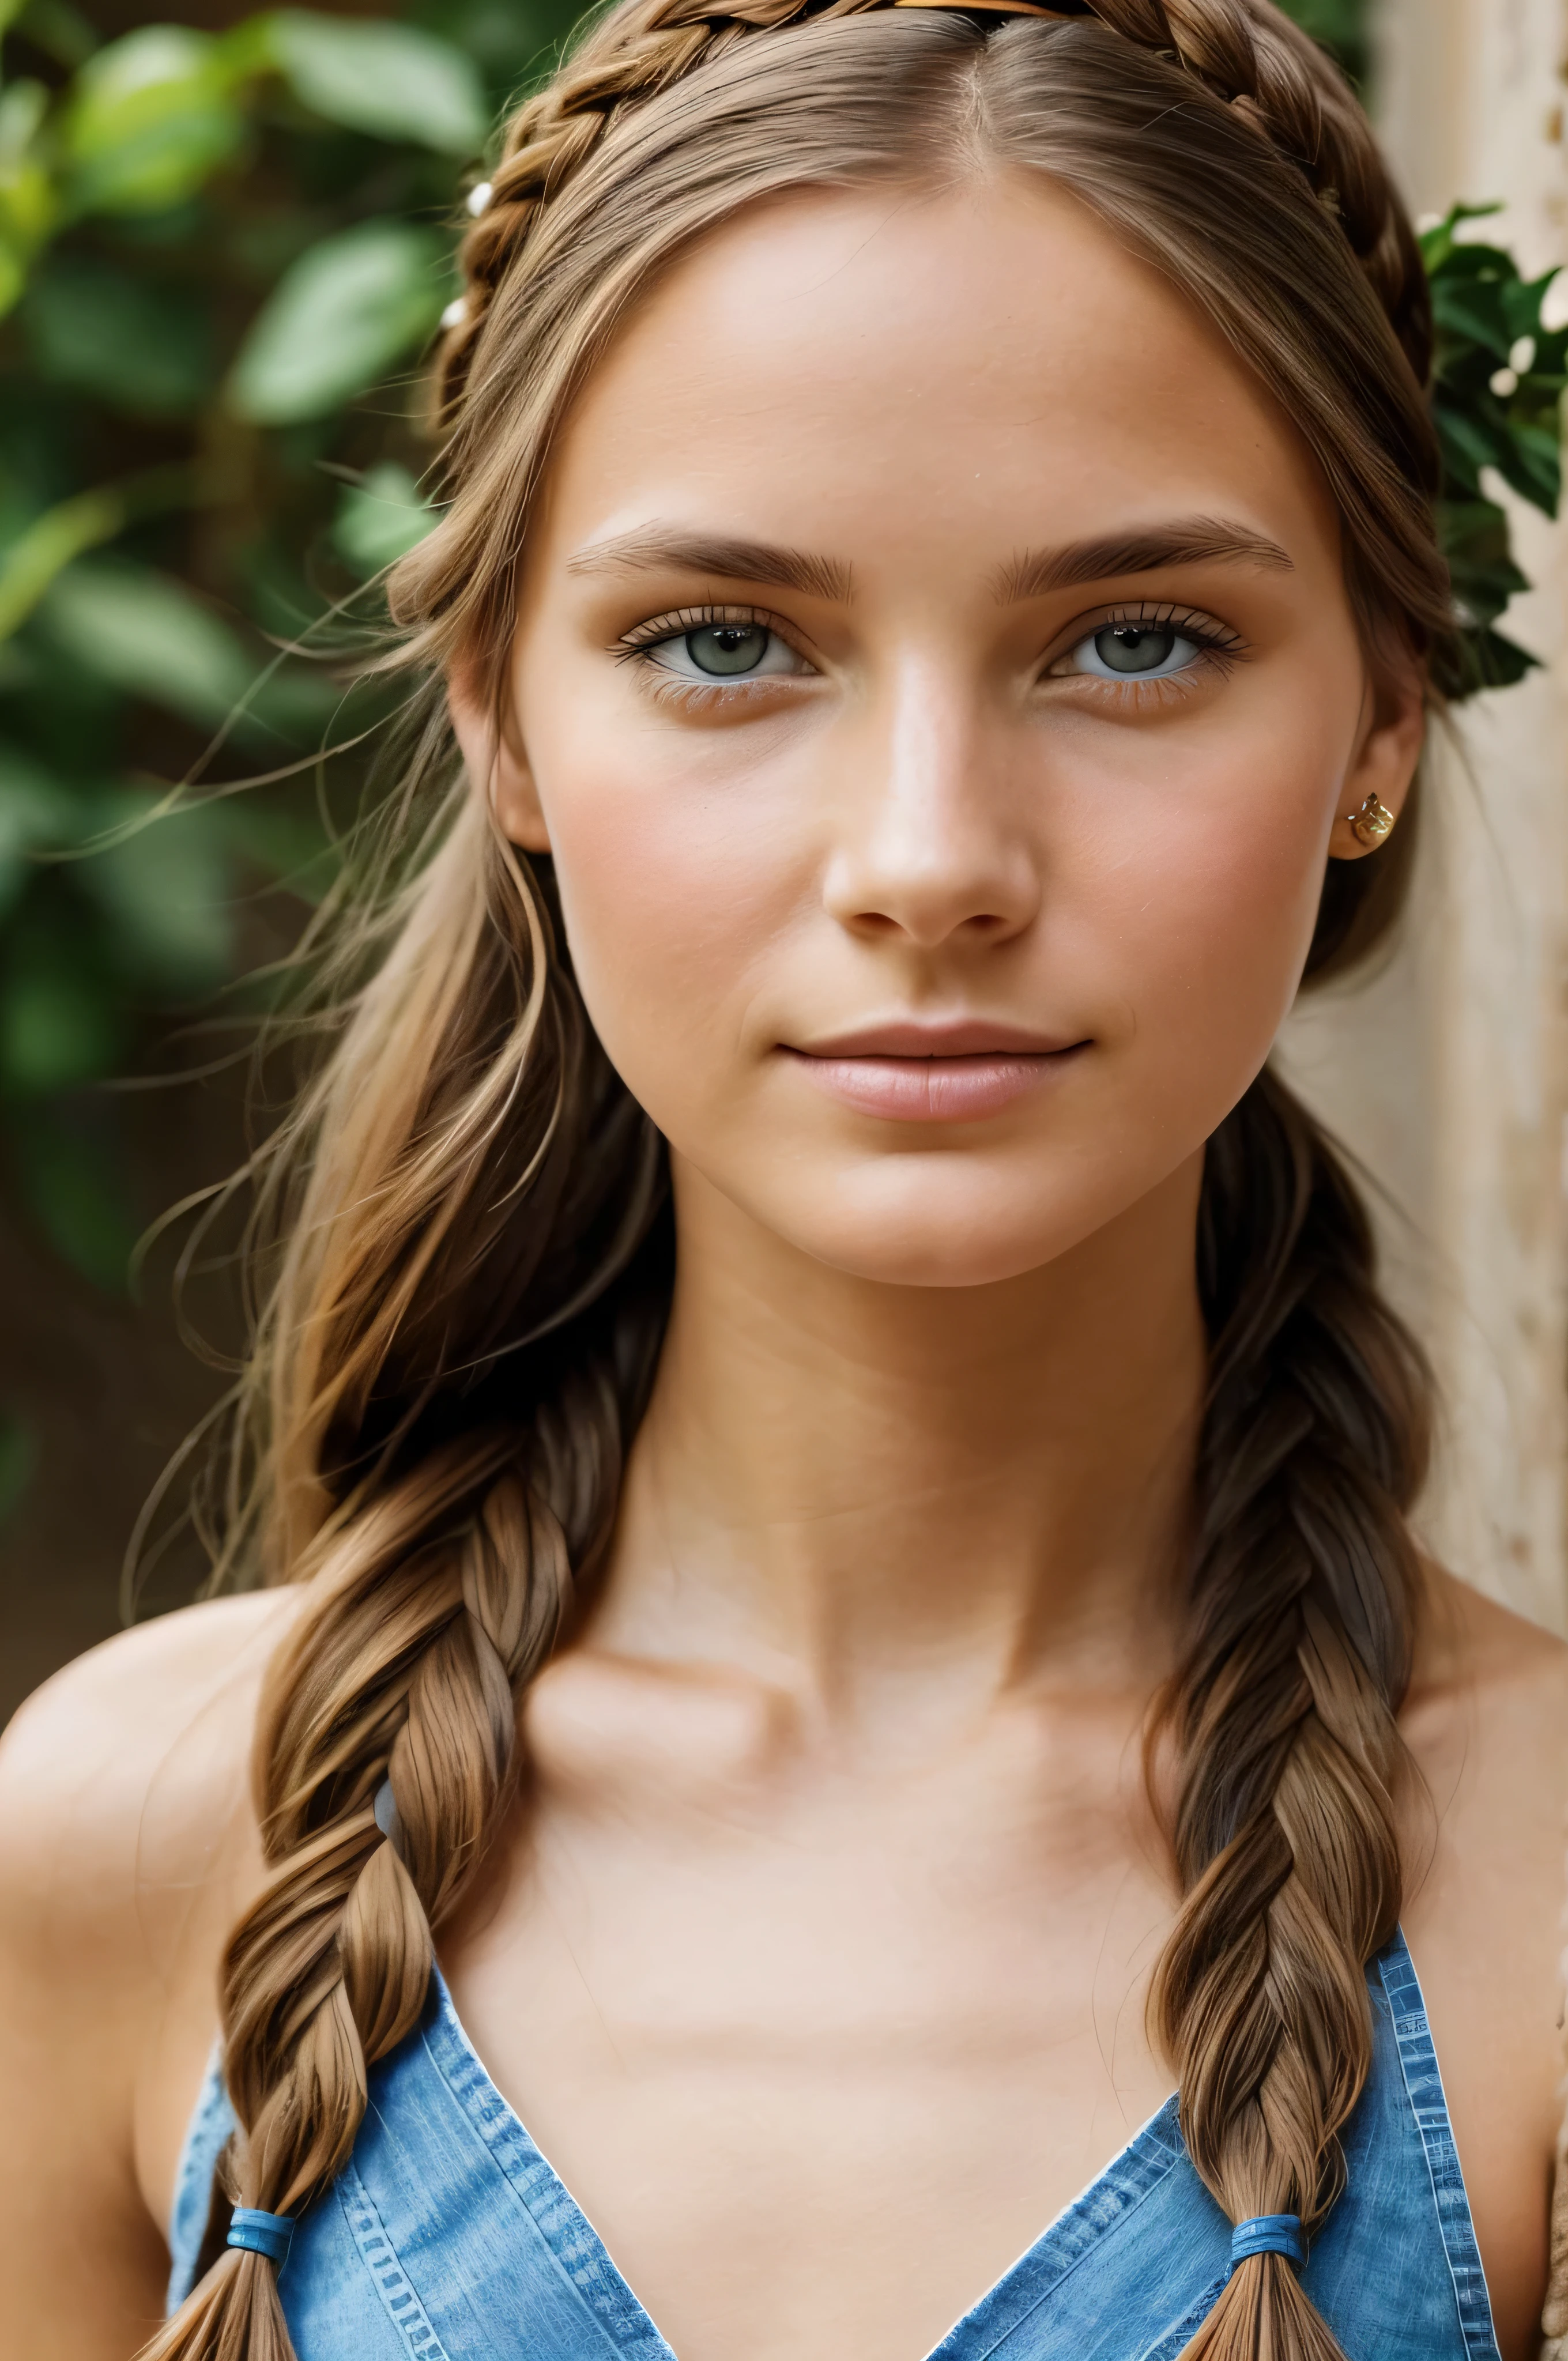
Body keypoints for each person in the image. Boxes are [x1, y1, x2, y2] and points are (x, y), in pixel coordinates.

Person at [2, 1, 1565, 2356]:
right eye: (726, 642)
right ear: (503, 724)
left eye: (1132, 639)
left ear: (1368, 719)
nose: (927, 860)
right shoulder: (120, 1845)